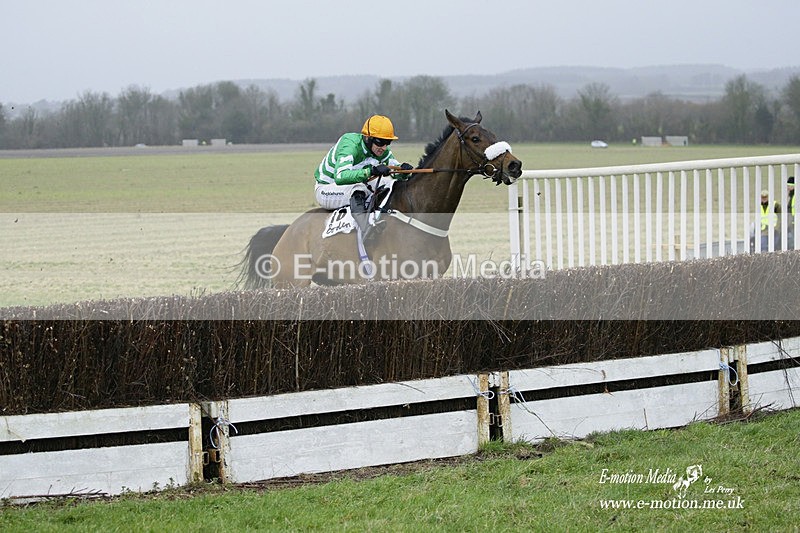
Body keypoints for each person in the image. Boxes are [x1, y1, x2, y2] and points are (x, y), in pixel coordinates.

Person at [314, 115, 413, 238]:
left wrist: (404, 172)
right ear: (368, 138)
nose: (384, 147)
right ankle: (366, 230)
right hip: (326, 189)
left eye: (388, 142)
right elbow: (340, 176)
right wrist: (370, 171)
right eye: (380, 142)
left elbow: (394, 170)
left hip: (350, 185)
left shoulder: (381, 151)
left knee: (387, 183)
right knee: (359, 189)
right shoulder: (350, 144)